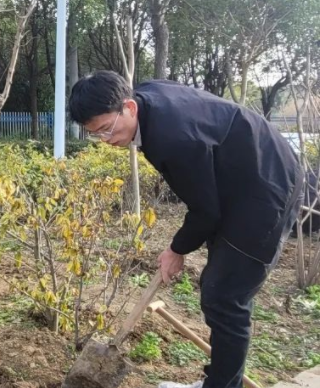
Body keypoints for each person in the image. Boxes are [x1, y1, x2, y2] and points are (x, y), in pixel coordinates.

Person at [68, 71, 303, 388]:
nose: (106, 140)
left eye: (107, 128)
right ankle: (218, 381)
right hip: (238, 178)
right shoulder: (147, 98)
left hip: (266, 190)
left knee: (225, 297)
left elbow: (205, 211)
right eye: (96, 134)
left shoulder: (172, 138)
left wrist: (176, 250)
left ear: (129, 107)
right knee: (217, 287)